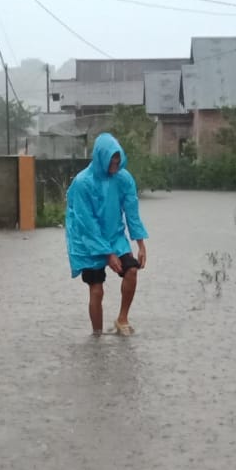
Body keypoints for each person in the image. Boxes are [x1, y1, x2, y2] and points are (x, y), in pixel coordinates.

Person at [65, 132, 149, 335]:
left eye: (119, 162)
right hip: (86, 240)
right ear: (101, 158)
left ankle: (122, 318)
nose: (116, 166)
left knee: (131, 270)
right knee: (96, 290)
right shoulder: (82, 183)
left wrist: (140, 244)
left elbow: (132, 212)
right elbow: (87, 224)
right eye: (112, 162)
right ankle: (97, 337)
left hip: (114, 234)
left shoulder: (123, 178)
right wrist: (107, 254)